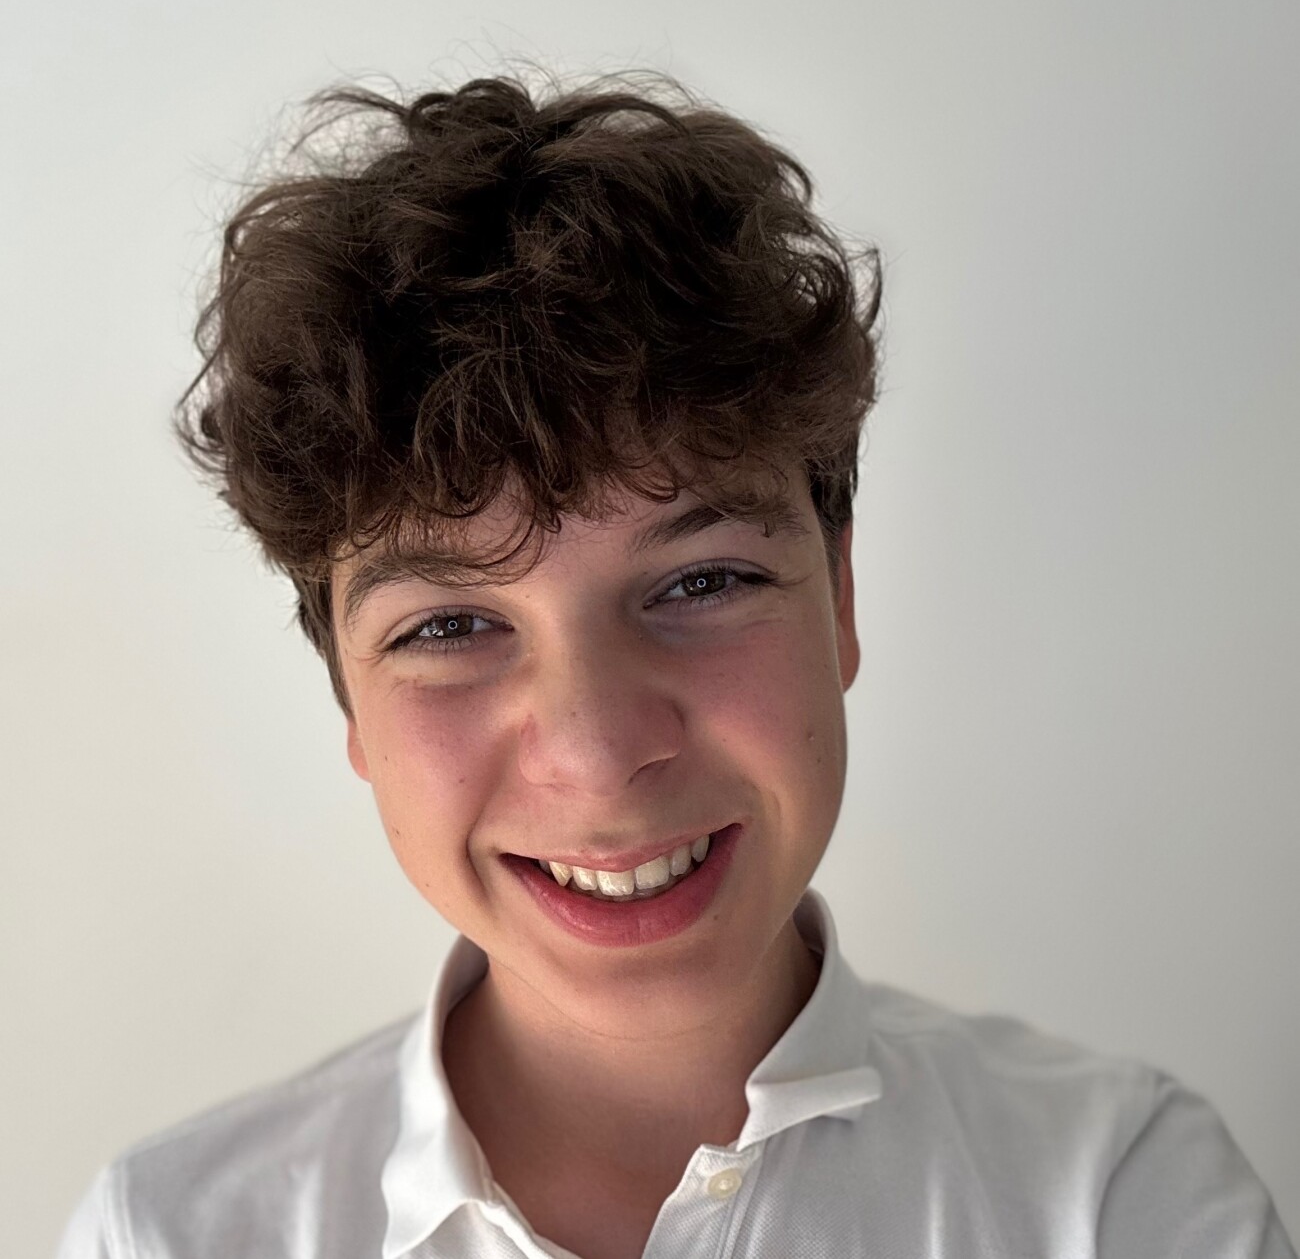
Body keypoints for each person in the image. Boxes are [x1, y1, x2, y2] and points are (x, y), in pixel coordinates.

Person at [56, 71, 1294, 1259]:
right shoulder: (165, 1237)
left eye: (701, 583)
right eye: (448, 627)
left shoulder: (1120, 1196)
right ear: (348, 696)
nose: (597, 754)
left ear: (840, 598)